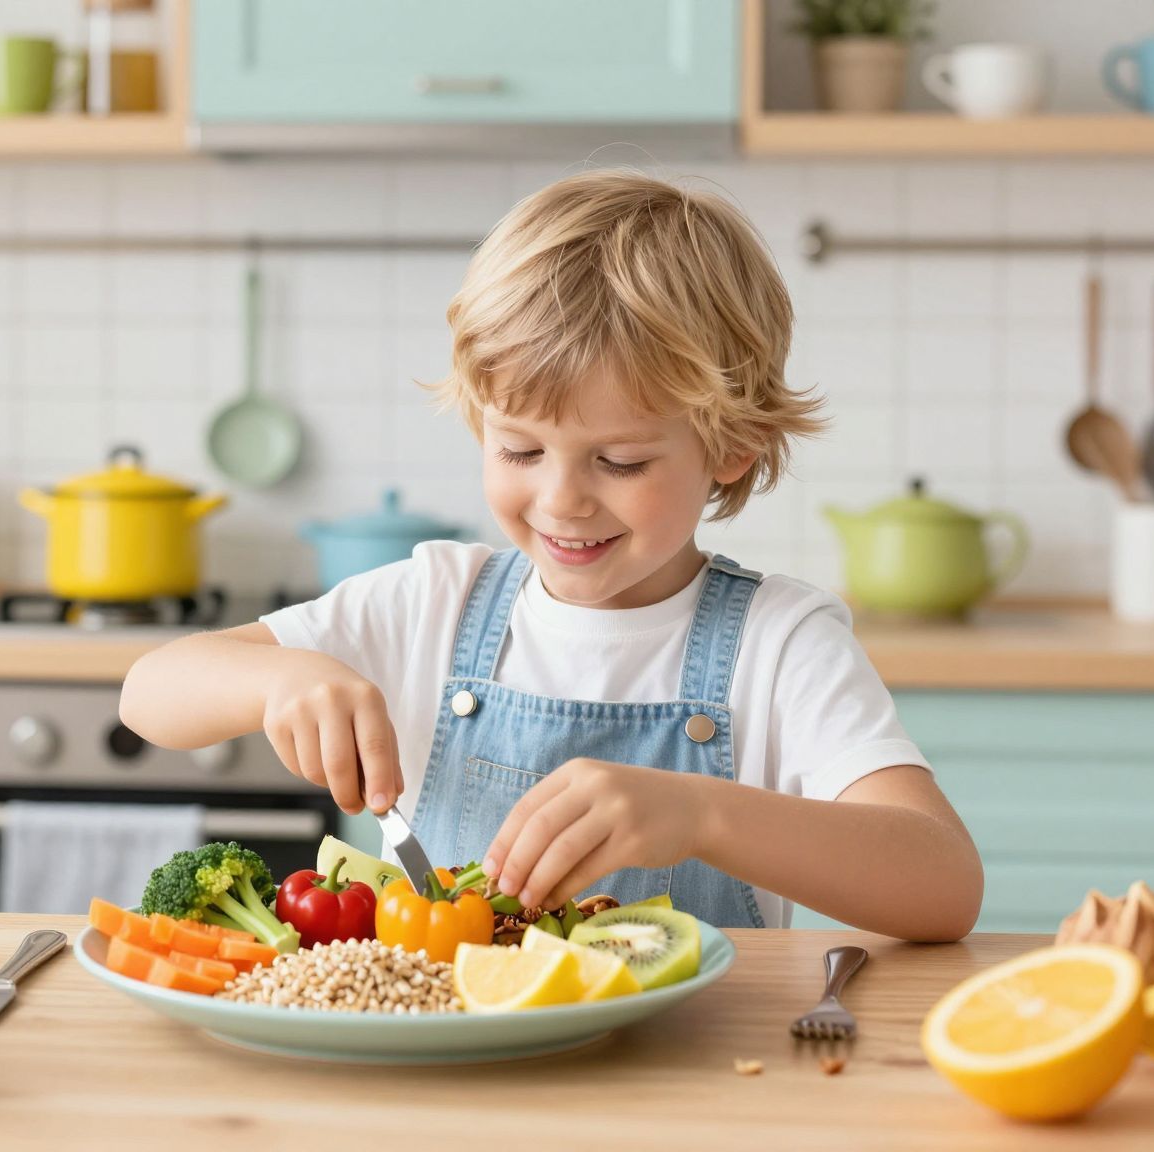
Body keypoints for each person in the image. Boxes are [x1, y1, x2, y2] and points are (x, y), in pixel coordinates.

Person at [121, 170, 982, 941]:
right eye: (520, 451)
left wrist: (703, 814)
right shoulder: (434, 601)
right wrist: (279, 678)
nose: (561, 499)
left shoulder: (780, 642)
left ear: (733, 448)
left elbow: (943, 883)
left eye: (621, 461)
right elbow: (148, 693)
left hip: (696, 1091)